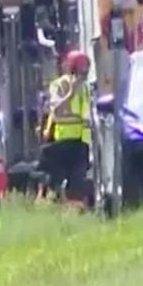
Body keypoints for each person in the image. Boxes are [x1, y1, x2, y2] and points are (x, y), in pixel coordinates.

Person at [42, 50, 93, 203]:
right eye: (82, 69)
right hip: (63, 142)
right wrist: (70, 93)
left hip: (81, 143)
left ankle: (74, 211)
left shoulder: (85, 88)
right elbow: (56, 109)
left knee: (77, 185)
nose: (85, 73)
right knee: (56, 182)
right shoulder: (60, 85)